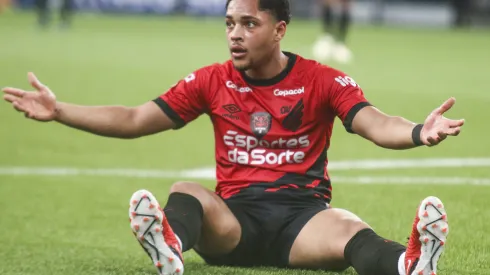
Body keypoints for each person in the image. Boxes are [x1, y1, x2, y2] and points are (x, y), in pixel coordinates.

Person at [2, 0, 464, 274]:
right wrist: (59, 110)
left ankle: (409, 266)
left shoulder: (321, 80)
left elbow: (375, 122)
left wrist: (420, 130)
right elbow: (134, 118)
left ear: (279, 29)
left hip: (303, 223)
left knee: (348, 226)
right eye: (229, 23)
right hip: (233, 225)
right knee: (185, 191)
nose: (235, 35)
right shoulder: (210, 80)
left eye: (248, 23)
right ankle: (170, 247)